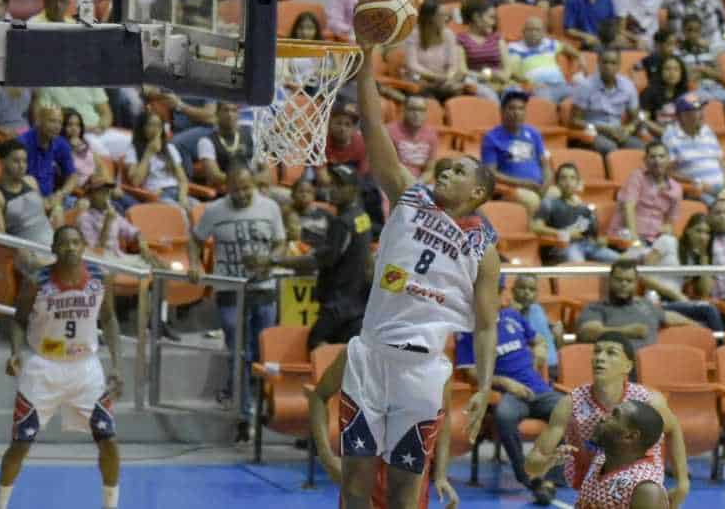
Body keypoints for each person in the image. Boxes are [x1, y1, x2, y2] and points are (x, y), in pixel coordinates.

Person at [339, 38, 501, 508]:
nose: (444, 172)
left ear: (477, 193)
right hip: (369, 356)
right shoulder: (408, 196)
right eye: (444, 168)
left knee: (408, 491)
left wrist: (484, 383)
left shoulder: (483, 247)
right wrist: (365, 64)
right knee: (355, 486)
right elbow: (373, 128)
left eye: (457, 172)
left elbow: (487, 323)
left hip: (421, 368)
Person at [0, 225, 124, 509]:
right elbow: (18, 320)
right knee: (20, 444)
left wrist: (117, 365)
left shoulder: (100, 278)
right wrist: (16, 352)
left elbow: (110, 320)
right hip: (43, 368)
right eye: (64, 244)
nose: (71, 248)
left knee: (109, 441)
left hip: (86, 369)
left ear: (83, 247)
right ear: (53, 249)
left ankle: (111, 505)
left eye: (76, 242)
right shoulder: (37, 281)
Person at [524, 332, 689, 508]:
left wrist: (682, 482)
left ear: (628, 366)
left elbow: (674, 428)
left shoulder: (648, 401)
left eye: (611, 353)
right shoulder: (571, 403)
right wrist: (547, 463)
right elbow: (531, 467)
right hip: (595, 480)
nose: (600, 358)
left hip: (635, 486)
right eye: (597, 352)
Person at [188, 167, 285, 440]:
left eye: (246, 188)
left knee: (261, 353)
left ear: (253, 184)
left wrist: (271, 261)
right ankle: (243, 413)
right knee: (239, 350)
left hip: (263, 290)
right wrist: (195, 264)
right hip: (230, 290)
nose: (241, 194)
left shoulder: (270, 208)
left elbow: (280, 242)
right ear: (226, 187)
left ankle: (260, 405)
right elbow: (195, 241)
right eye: (236, 189)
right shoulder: (214, 211)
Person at [307, 347, 459, 509]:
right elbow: (318, 396)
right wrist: (326, 457)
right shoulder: (357, 353)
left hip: (411, 481)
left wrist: (441, 475)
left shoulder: (439, 365)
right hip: (363, 476)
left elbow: (444, 417)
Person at [456, 300, 564, 504]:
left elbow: (537, 338)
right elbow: (470, 372)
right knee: (504, 416)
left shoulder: (512, 316)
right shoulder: (468, 329)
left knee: (568, 410)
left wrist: (541, 347)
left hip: (540, 390)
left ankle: (551, 480)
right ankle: (528, 477)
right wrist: (505, 382)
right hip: (510, 395)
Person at [261, 165, 373, 351]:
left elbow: (318, 260)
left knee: (316, 346)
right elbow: (368, 262)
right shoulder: (362, 217)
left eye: (339, 185)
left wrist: (273, 261)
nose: (333, 189)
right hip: (357, 304)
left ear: (353, 190)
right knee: (344, 353)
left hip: (338, 304)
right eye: (332, 184)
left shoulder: (342, 223)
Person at [576, 259, 695, 349]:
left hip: (651, 367)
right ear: (610, 281)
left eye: (629, 281)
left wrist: (698, 327)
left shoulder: (645, 304)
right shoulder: (597, 308)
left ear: (636, 283)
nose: (624, 284)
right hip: (617, 369)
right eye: (619, 279)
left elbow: (669, 316)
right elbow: (588, 333)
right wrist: (627, 332)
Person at [576, 400, 670, 508]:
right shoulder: (600, 461)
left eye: (614, 416)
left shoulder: (646, 490)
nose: (603, 418)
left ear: (630, 436)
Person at [0, 139, 55, 272]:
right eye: (16, 161)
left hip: (52, 241)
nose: (22, 166)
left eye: (25, 161)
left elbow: (44, 212)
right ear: (2, 163)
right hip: (27, 253)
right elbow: (0, 238)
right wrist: (22, 251)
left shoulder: (31, 181)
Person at [481, 89, 554, 216]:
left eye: (521, 109)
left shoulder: (533, 133)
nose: (517, 113)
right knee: (533, 201)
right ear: (502, 111)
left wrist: (546, 182)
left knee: (560, 198)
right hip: (511, 189)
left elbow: (545, 164)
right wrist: (524, 184)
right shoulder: (491, 138)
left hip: (538, 186)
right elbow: (490, 172)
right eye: (512, 108)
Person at [531, 162, 621, 263]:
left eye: (572, 178)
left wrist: (600, 240)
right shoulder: (549, 203)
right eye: (563, 178)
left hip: (588, 245)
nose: (568, 182)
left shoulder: (584, 208)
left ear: (578, 182)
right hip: (563, 247)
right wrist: (562, 233)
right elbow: (535, 227)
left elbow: (591, 234)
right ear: (556, 183)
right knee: (577, 262)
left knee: (620, 261)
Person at [570, 48, 644, 156]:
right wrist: (603, 129)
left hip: (618, 131)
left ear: (619, 65)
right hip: (594, 131)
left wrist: (628, 129)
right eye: (605, 62)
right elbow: (574, 121)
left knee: (640, 147)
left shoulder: (628, 86)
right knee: (609, 148)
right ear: (598, 63)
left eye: (613, 63)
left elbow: (635, 118)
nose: (608, 66)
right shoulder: (586, 86)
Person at [607, 142, 683, 245]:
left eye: (661, 156)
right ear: (645, 160)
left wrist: (665, 230)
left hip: (653, 239)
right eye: (652, 157)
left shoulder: (676, 188)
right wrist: (634, 239)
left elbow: (670, 221)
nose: (657, 161)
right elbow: (629, 207)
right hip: (627, 235)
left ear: (669, 159)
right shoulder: (637, 177)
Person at [662, 92, 725, 206]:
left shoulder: (707, 131)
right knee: (722, 210)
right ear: (683, 116)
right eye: (696, 110)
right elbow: (667, 172)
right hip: (697, 192)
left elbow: (721, 161)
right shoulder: (670, 136)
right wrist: (694, 182)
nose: (702, 114)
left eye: (702, 109)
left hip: (722, 188)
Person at [196, 101, 254, 188]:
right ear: (217, 114)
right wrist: (245, 181)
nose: (230, 114)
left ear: (238, 114)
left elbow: (264, 168)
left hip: (252, 188)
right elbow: (214, 176)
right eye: (226, 110)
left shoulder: (249, 136)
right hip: (227, 191)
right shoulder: (206, 141)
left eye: (234, 110)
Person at [386, 96, 439, 182]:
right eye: (413, 109)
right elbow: (386, 167)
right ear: (404, 110)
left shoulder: (431, 134)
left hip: (418, 183)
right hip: (394, 181)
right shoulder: (389, 132)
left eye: (421, 110)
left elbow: (430, 169)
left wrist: (417, 184)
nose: (417, 114)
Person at [638, 56, 690, 137]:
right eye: (667, 69)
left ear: (682, 73)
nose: (672, 73)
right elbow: (642, 117)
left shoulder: (686, 94)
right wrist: (663, 132)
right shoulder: (650, 91)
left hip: (679, 136)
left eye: (676, 69)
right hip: (654, 135)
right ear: (660, 72)